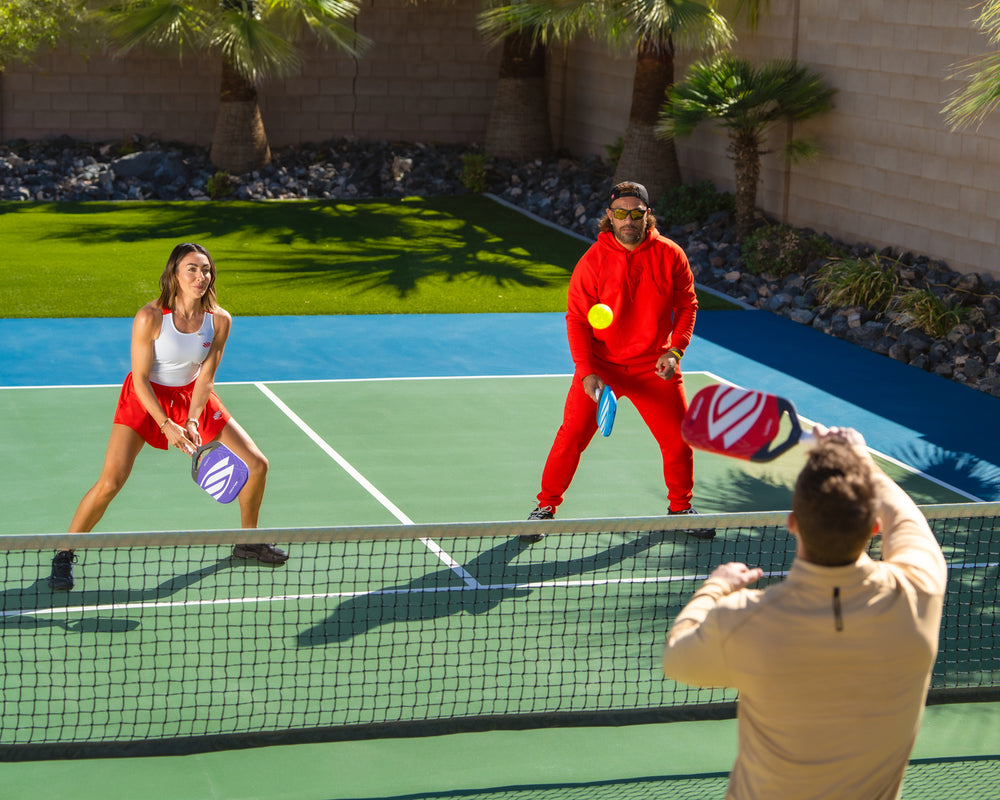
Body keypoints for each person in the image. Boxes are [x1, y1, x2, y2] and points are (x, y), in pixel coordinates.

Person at [662, 426, 948, 800]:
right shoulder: (919, 589)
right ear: (874, 526)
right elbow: (906, 517)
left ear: (793, 523)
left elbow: (677, 657)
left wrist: (716, 586)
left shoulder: (743, 619)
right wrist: (858, 458)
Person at [48, 243, 288, 590]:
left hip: (193, 395)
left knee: (257, 464)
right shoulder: (150, 317)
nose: (200, 276)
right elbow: (140, 379)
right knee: (110, 482)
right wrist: (165, 423)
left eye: (205, 269)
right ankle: (64, 551)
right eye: (191, 269)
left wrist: (191, 421)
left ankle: (247, 540)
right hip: (146, 398)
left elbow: (206, 377)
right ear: (174, 273)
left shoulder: (219, 320)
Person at [523, 180, 707, 541]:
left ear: (647, 215)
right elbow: (576, 320)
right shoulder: (592, 262)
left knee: (678, 441)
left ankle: (680, 509)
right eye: (620, 213)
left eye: (635, 213)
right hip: (603, 368)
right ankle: (545, 507)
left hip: (654, 367)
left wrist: (675, 351)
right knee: (571, 436)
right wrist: (586, 372)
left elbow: (687, 306)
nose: (628, 220)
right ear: (609, 216)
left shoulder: (671, 255)